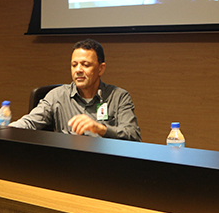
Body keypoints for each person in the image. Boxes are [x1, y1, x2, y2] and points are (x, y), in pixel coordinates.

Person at [10, 38, 141, 141]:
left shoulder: (118, 97)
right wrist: (4, 128)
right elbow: (30, 122)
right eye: (74, 65)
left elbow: (133, 135)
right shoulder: (57, 96)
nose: (78, 70)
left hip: (104, 161)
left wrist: (101, 129)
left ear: (101, 69)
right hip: (68, 161)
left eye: (85, 65)